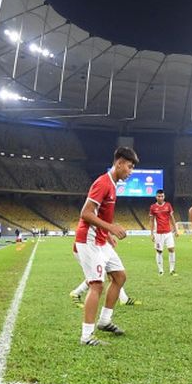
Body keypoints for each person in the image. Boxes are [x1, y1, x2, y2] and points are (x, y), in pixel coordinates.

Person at [73, 146, 139, 346]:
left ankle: (105, 321)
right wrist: (110, 227)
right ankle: (86, 336)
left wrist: (107, 233)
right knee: (96, 285)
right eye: (129, 166)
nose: (131, 171)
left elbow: (100, 214)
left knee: (120, 276)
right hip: (89, 240)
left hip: (101, 240)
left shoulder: (113, 184)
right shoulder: (103, 183)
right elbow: (86, 213)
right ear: (119, 163)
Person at [149, 189, 177, 276]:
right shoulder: (153, 207)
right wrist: (152, 233)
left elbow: (172, 218)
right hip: (158, 233)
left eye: (162, 196)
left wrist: (175, 229)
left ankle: (172, 270)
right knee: (159, 251)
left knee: (171, 249)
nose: (160, 198)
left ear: (164, 196)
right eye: (159, 196)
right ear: (156, 197)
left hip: (168, 232)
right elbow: (151, 220)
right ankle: (161, 270)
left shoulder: (168, 205)